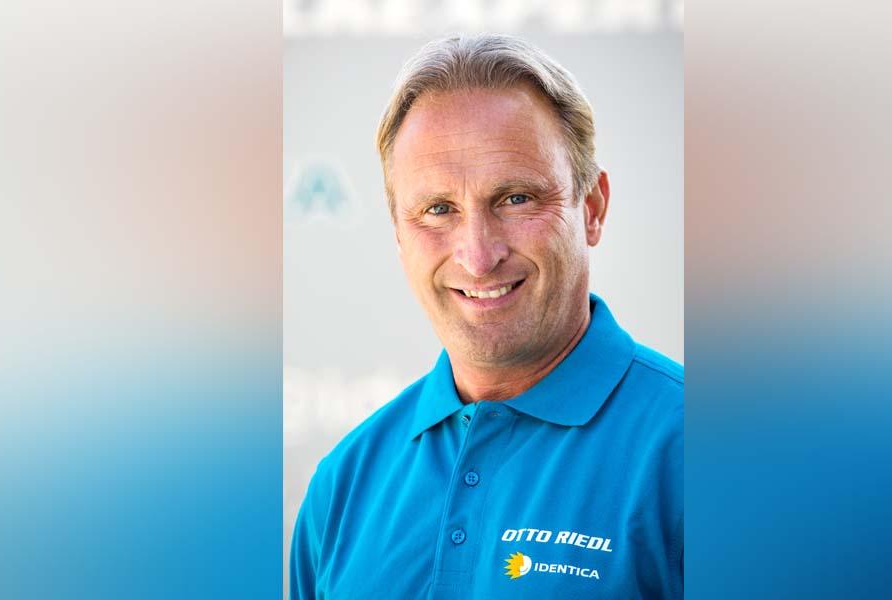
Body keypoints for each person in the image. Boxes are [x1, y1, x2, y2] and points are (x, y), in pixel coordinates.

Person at [290, 33, 682, 599]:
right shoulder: (345, 484)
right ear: (398, 233)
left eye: (516, 198)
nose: (477, 255)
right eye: (438, 209)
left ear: (592, 209)